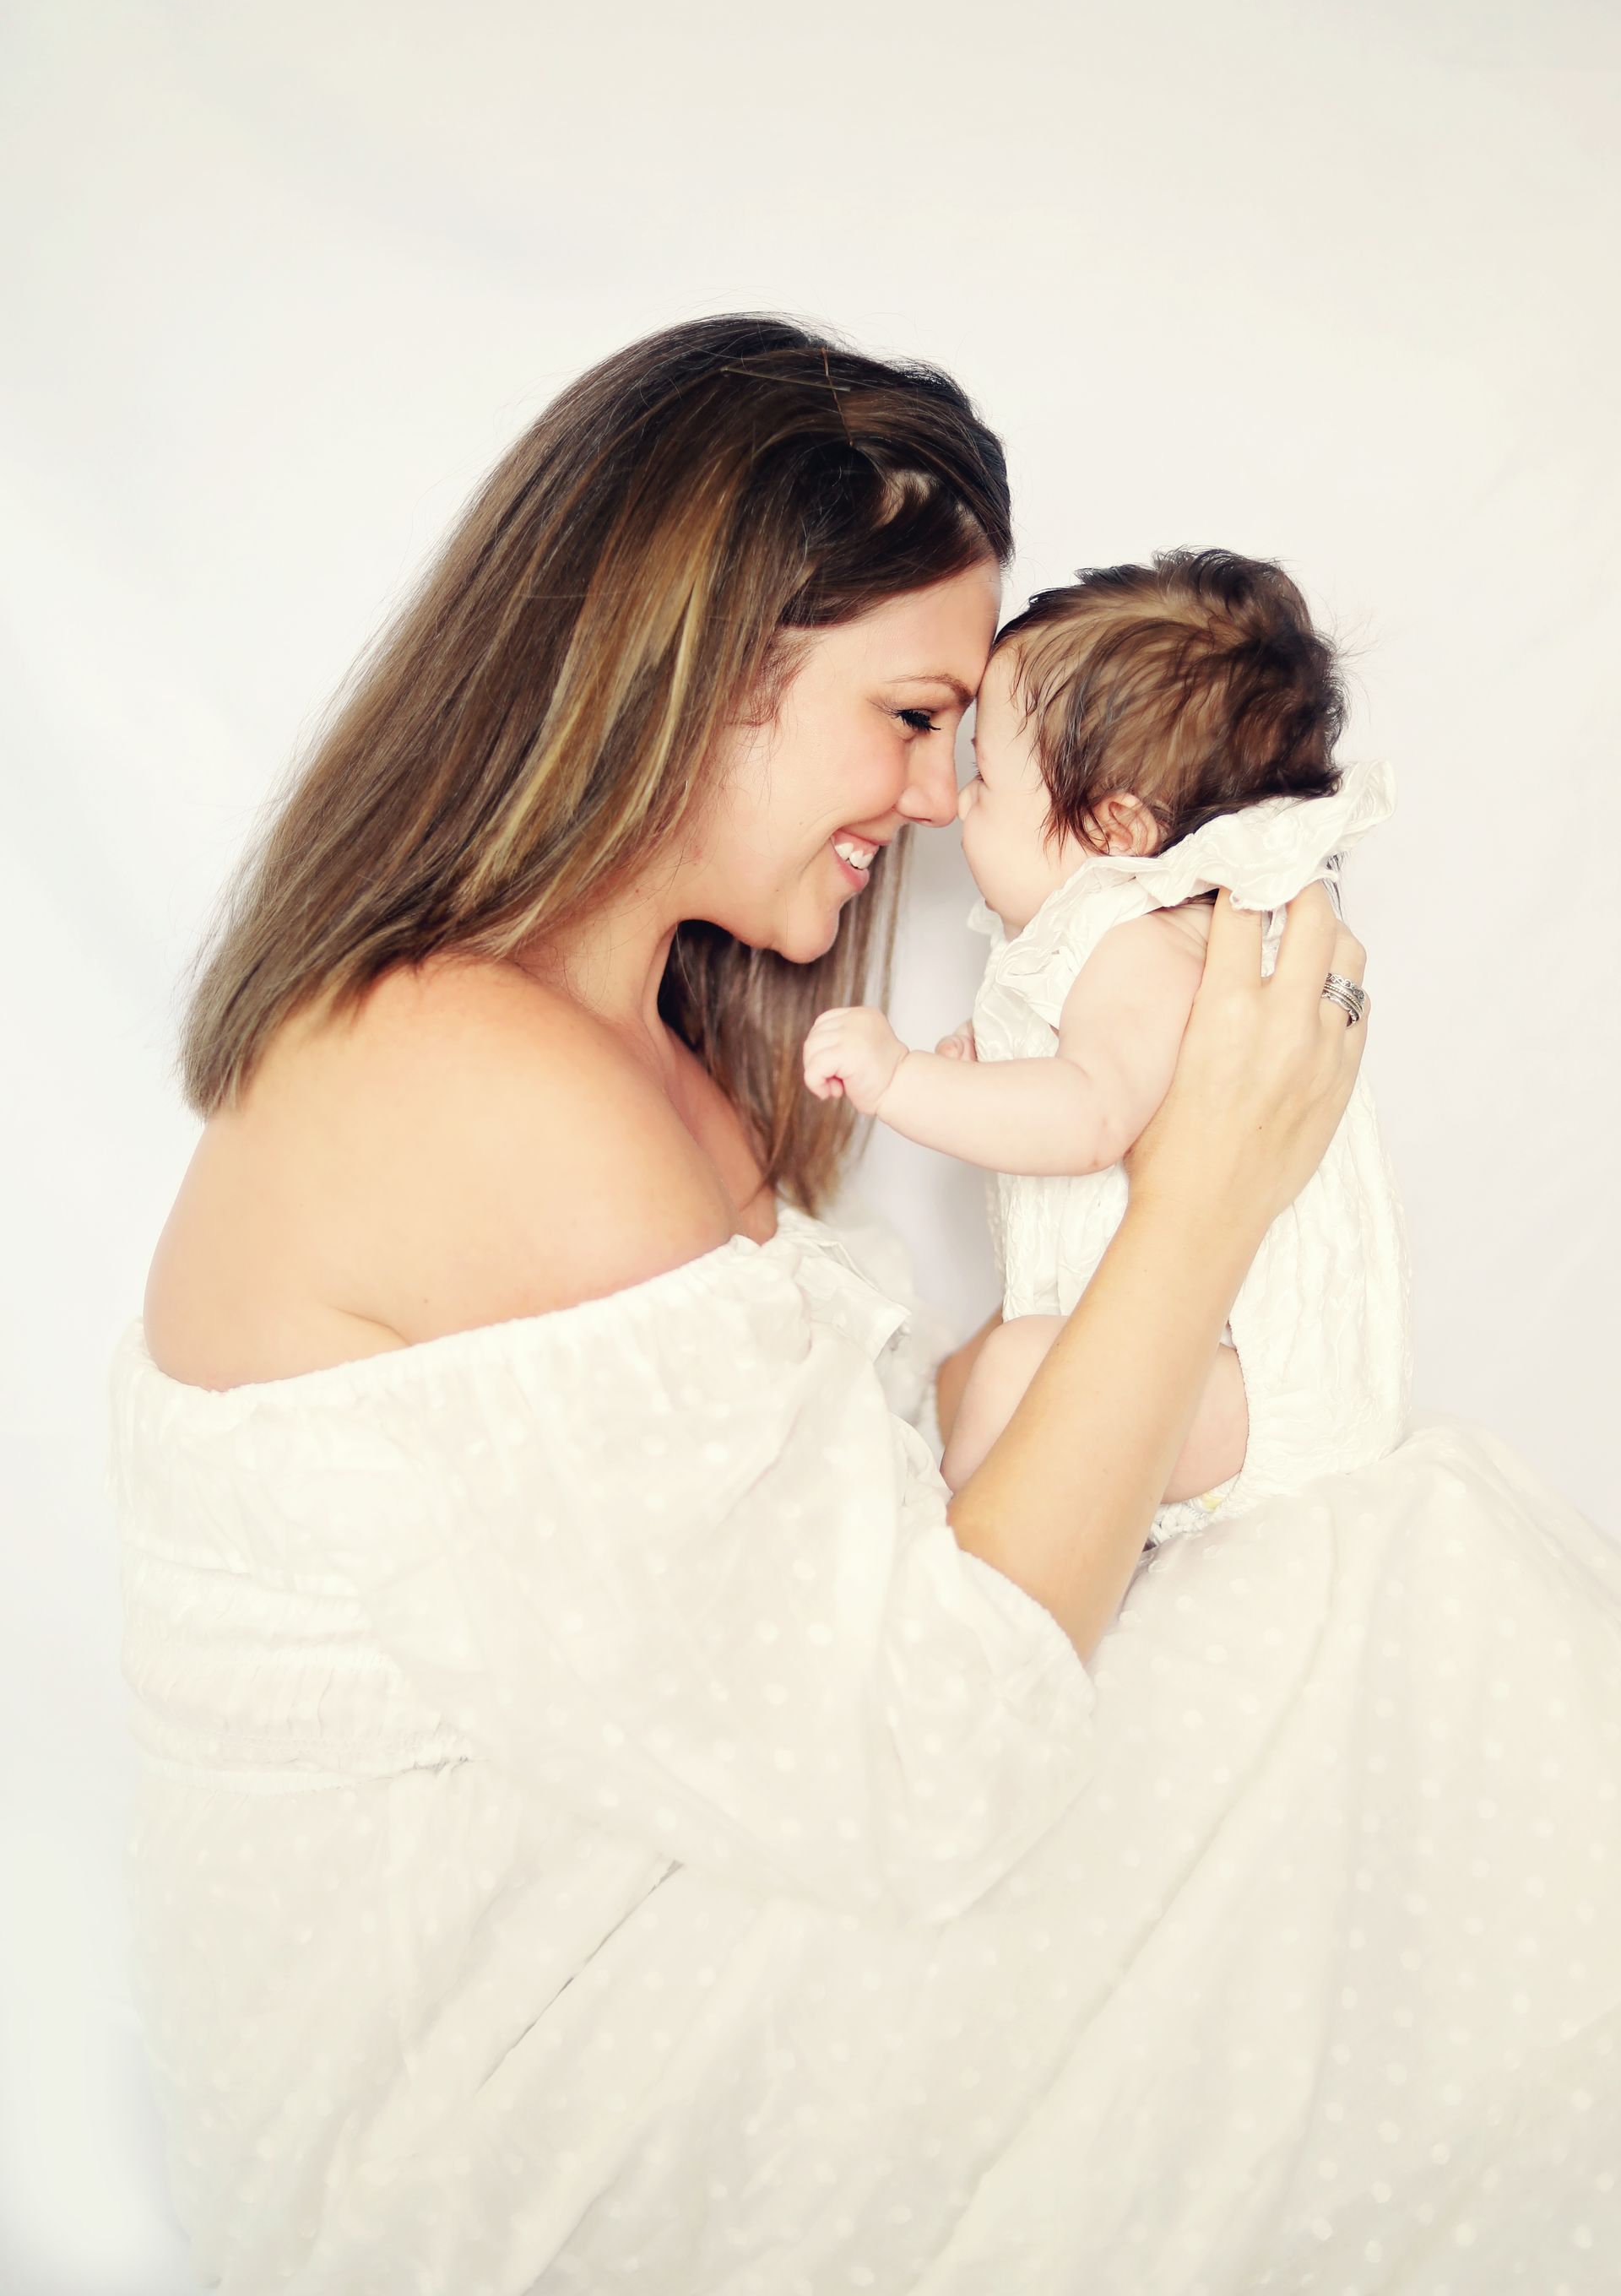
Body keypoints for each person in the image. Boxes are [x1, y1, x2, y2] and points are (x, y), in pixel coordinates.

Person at [108, 316, 1621, 2293]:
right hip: (479, 2153)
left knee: (1382, 1602)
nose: (934, 798)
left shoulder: (620, 1041)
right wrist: (1202, 1190)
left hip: (652, 1914)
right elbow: (925, 1765)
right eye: (910, 717)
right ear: (709, 675)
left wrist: (1033, 1381)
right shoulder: (471, 1081)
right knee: (1407, 1646)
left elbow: (768, 1576)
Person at [802, 551, 1410, 1550]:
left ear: (1118, 827)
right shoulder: (1172, 936)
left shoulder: (1135, 942)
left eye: (988, 780)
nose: (957, 807)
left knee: (1010, 1372)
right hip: (1241, 1381)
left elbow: (1088, 1119)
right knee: (1008, 1365)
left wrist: (905, 1080)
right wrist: (991, 1078)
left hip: (1261, 1399)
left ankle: (938, 1569)